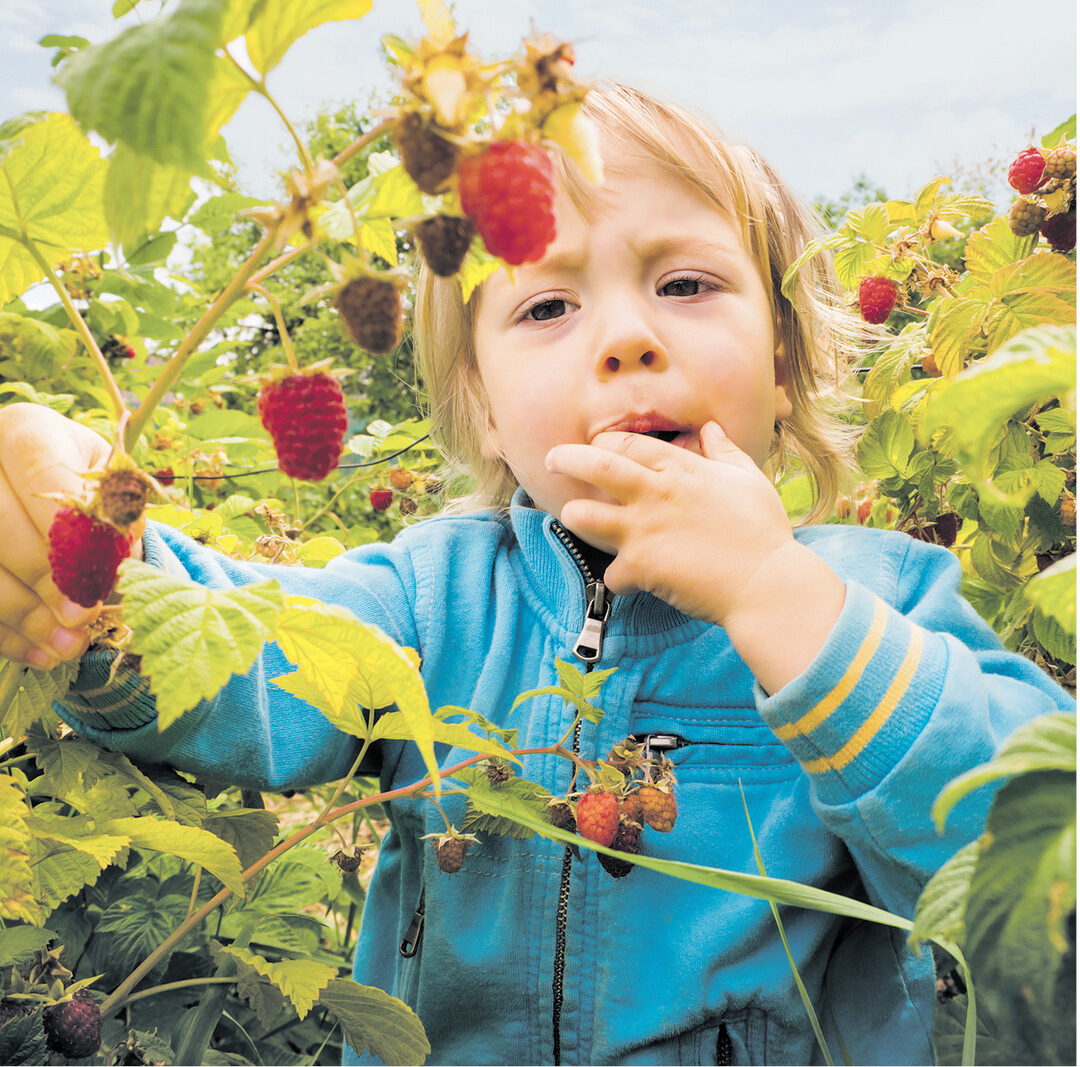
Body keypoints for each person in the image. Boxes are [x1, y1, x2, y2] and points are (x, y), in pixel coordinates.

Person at [0, 84, 1072, 1066]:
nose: (627, 338)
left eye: (687, 284)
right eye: (548, 307)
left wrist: (777, 599)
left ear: (782, 361)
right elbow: (253, 655)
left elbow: (1037, 878)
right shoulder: (430, 601)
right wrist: (99, 567)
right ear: (483, 407)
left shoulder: (879, 602)